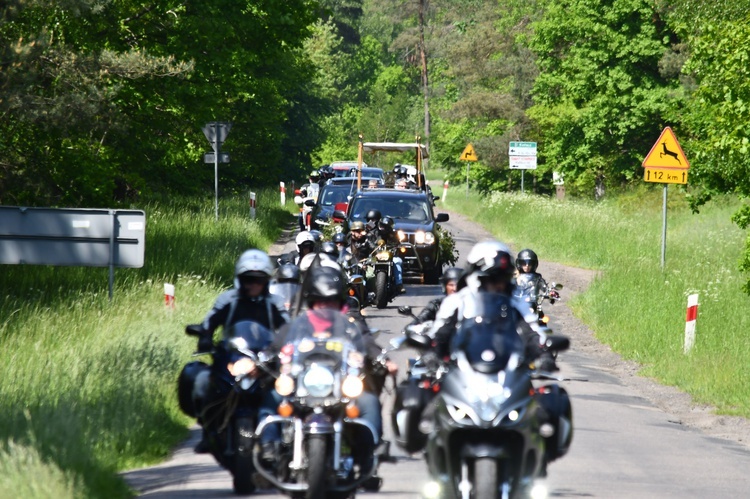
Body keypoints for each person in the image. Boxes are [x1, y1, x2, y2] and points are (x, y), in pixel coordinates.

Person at [257, 265, 384, 465]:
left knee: (368, 402)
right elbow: (278, 342)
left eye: (331, 301)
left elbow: (366, 341)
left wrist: (379, 357)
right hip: (303, 384)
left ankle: (366, 455)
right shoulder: (298, 324)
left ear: (339, 301)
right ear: (311, 301)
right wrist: (266, 355)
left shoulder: (349, 324)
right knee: (272, 398)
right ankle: (269, 447)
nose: (325, 306)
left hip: (338, 385)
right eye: (320, 301)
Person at [191, 249, 290, 453]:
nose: (253, 284)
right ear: (239, 279)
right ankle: (208, 432)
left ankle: (282, 438)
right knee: (202, 382)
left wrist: (288, 347)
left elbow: (288, 327)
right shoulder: (228, 300)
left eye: (258, 280)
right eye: (248, 279)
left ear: (266, 281)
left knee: (284, 390)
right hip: (232, 356)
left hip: (267, 360)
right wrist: (205, 337)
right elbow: (210, 321)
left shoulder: (275, 303)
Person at [429, 240, 556, 371]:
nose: (498, 285)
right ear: (475, 278)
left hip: (507, 374)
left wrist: (544, 354)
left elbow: (531, 332)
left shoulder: (516, 303)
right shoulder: (457, 302)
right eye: (491, 280)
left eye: (503, 279)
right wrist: (431, 353)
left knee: (553, 392)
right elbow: (440, 334)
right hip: (462, 373)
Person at [371, 216, 404, 293]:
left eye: (385, 227)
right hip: (375, 255)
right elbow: (370, 242)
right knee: (367, 263)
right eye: (382, 226)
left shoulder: (393, 234)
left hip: (390, 256)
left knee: (397, 262)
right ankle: (365, 284)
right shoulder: (375, 232)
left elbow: (397, 244)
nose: (382, 228)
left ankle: (399, 284)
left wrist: (397, 247)